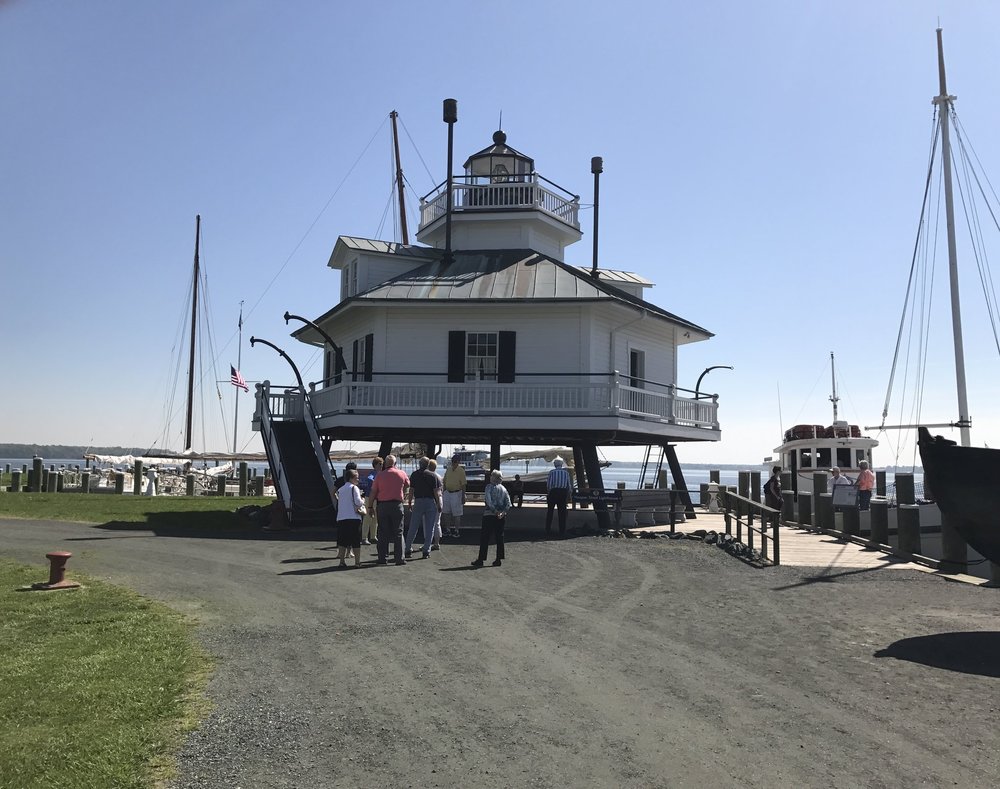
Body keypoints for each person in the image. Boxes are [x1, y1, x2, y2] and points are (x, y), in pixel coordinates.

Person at [370, 454, 410, 565]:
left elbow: (373, 491)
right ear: (395, 464)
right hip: (397, 505)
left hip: (382, 505)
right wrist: (402, 491)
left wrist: (370, 506)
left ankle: (382, 558)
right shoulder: (402, 473)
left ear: (385, 464)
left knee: (383, 532)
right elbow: (408, 485)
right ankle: (399, 558)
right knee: (398, 532)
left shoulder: (379, 475)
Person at [472, 469, 512, 567]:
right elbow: (508, 503)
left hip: (489, 515)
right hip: (501, 517)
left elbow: (488, 501)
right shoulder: (504, 489)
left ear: (493, 477)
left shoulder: (489, 487)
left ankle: (481, 559)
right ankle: (498, 559)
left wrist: (495, 511)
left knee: (485, 537)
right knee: (499, 537)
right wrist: (502, 512)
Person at [405, 456, 443, 559]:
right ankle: (426, 551)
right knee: (430, 527)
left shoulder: (414, 475)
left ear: (419, 464)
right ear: (428, 465)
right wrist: (439, 505)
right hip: (430, 502)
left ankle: (407, 549)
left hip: (418, 501)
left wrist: (409, 502)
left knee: (413, 526)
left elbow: (411, 490)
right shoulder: (433, 476)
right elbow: (436, 492)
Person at [335, 468, 364, 569]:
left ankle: (342, 561)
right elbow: (358, 502)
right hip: (353, 517)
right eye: (356, 478)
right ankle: (357, 562)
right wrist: (363, 500)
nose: (358, 480)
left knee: (342, 540)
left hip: (342, 517)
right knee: (355, 540)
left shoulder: (340, 489)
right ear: (351, 478)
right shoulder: (354, 488)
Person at [545, 457, 572, 538]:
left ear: (555, 464)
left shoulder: (552, 472)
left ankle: (548, 529)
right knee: (562, 512)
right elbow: (568, 485)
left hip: (554, 492)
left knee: (550, 511)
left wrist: (549, 493)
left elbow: (549, 485)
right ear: (561, 464)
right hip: (563, 492)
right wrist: (569, 494)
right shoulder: (566, 473)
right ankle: (562, 530)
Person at [441, 453, 467, 538]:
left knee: (457, 514)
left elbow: (463, 485)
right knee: (446, 512)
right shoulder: (448, 469)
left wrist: (463, 496)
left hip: (457, 493)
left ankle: (456, 530)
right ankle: (448, 529)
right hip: (447, 493)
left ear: (458, 462)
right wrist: (443, 492)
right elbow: (444, 481)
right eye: (453, 461)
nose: (453, 463)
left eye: (455, 461)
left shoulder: (461, 471)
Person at [358, 456, 382, 545]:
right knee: (368, 517)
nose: (381, 466)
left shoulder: (378, 474)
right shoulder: (373, 474)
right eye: (380, 464)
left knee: (375, 518)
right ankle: (364, 537)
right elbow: (370, 479)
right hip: (370, 498)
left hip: (376, 498)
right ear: (375, 465)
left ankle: (373, 536)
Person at [428, 458, 444, 550]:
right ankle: (436, 543)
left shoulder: (431, 477)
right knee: (437, 523)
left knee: (429, 523)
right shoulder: (439, 476)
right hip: (440, 499)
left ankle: (428, 543)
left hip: (433, 500)